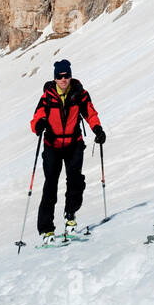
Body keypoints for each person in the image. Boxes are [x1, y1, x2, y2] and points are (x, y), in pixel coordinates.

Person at [29, 59, 105, 241]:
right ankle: (46, 230)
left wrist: (98, 129)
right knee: (50, 186)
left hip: (73, 144)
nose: (63, 80)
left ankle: (70, 215)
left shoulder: (80, 94)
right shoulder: (47, 97)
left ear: (70, 76)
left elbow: (90, 114)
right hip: (52, 146)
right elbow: (36, 117)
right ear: (55, 78)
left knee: (76, 181)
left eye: (66, 76)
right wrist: (38, 125)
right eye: (60, 77)